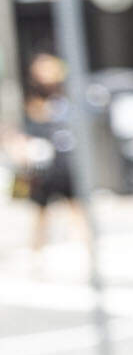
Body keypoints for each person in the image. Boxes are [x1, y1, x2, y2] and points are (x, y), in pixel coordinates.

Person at [13, 52, 80, 257]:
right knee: (40, 212)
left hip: (64, 161)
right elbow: (27, 129)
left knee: (76, 208)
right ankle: (37, 253)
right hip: (42, 166)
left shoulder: (66, 93)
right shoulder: (33, 98)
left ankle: (83, 249)